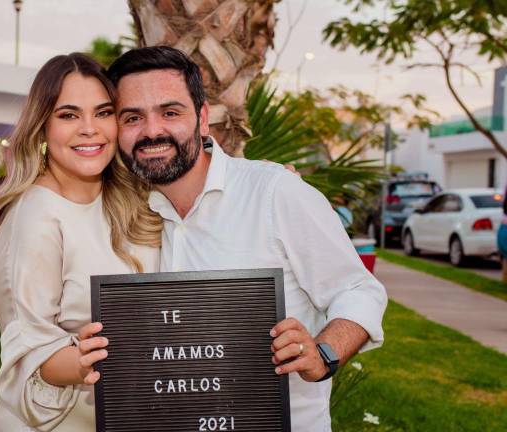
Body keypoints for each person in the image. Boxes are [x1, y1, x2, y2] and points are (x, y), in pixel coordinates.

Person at [105, 46, 388, 431]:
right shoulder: (129, 212)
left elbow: (359, 290)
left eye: (170, 112)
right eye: (133, 117)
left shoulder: (275, 192)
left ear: (202, 119)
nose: (152, 131)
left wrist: (323, 353)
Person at [0, 53, 162, 432]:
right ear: (42, 127)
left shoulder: (134, 200)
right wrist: (83, 360)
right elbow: (28, 355)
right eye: (69, 115)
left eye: (103, 113)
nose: (89, 129)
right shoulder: (35, 216)